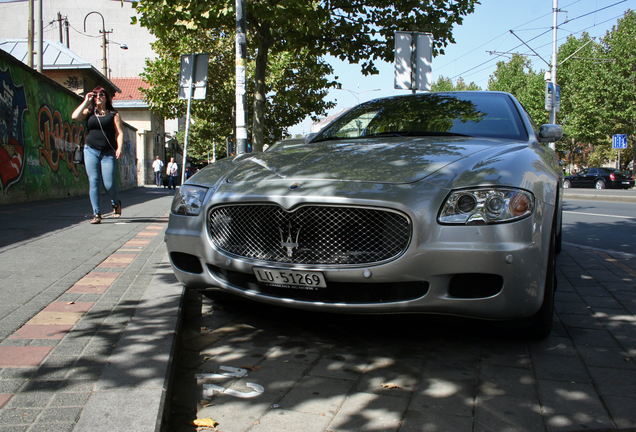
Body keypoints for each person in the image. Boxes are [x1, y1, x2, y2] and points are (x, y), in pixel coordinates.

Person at [72, 86, 123, 224]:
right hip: (90, 150)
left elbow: (119, 133)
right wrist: (86, 101)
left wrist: (120, 148)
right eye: (96, 95)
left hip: (108, 153)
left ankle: (115, 202)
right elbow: (75, 116)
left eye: (101, 94)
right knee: (94, 181)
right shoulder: (89, 112)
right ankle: (97, 214)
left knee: (109, 184)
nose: (98, 97)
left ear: (106, 97)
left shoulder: (114, 114)